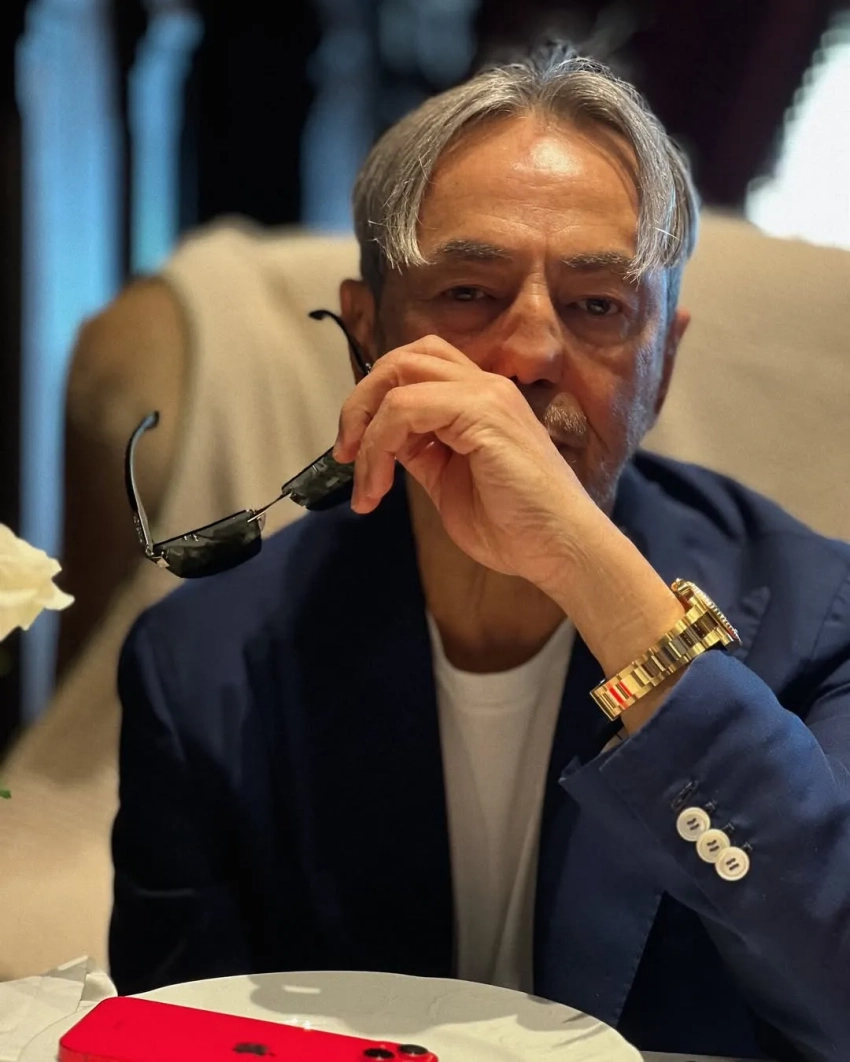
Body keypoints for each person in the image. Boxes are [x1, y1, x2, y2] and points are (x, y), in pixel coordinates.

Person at [109, 43, 850, 1061]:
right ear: (367, 339)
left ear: (663, 363)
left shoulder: (818, 619)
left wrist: (588, 567)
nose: (532, 354)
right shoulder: (202, 668)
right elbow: (172, 1039)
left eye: (598, 306)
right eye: (467, 293)